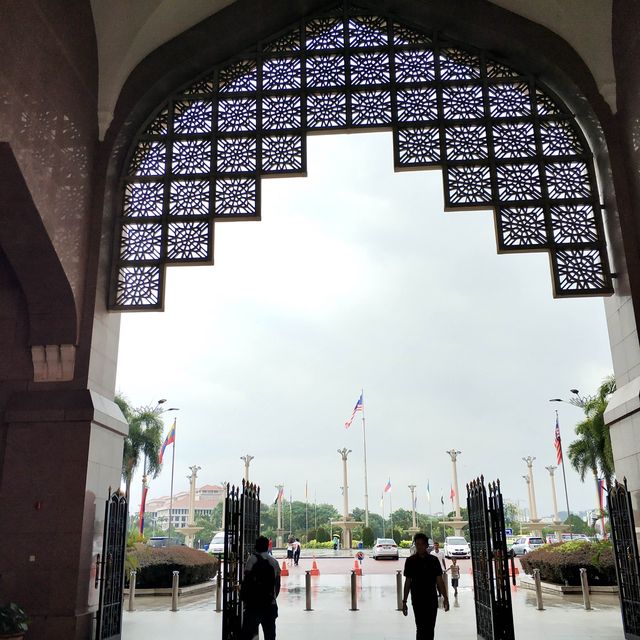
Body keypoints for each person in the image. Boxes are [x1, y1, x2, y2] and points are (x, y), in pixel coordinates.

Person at [402, 532, 449, 640]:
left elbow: (439, 581)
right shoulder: (410, 561)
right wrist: (404, 601)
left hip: (431, 599)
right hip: (417, 599)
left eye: (422, 544)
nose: (419, 547)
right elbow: (407, 582)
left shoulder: (433, 561)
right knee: (420, 627)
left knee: (430, 627)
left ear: (427, 545)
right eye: (417, 544)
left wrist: (445, 598)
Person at [241, 536, 281, 640]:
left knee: (247, 634)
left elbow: (246, 581)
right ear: (267, 546)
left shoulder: (252, 559)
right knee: (270, 634)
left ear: (256, 546)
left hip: (253, 604)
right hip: (269, 603)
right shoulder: (274, 562)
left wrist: (245, 599)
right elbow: (277, 584)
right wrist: (272, 597)